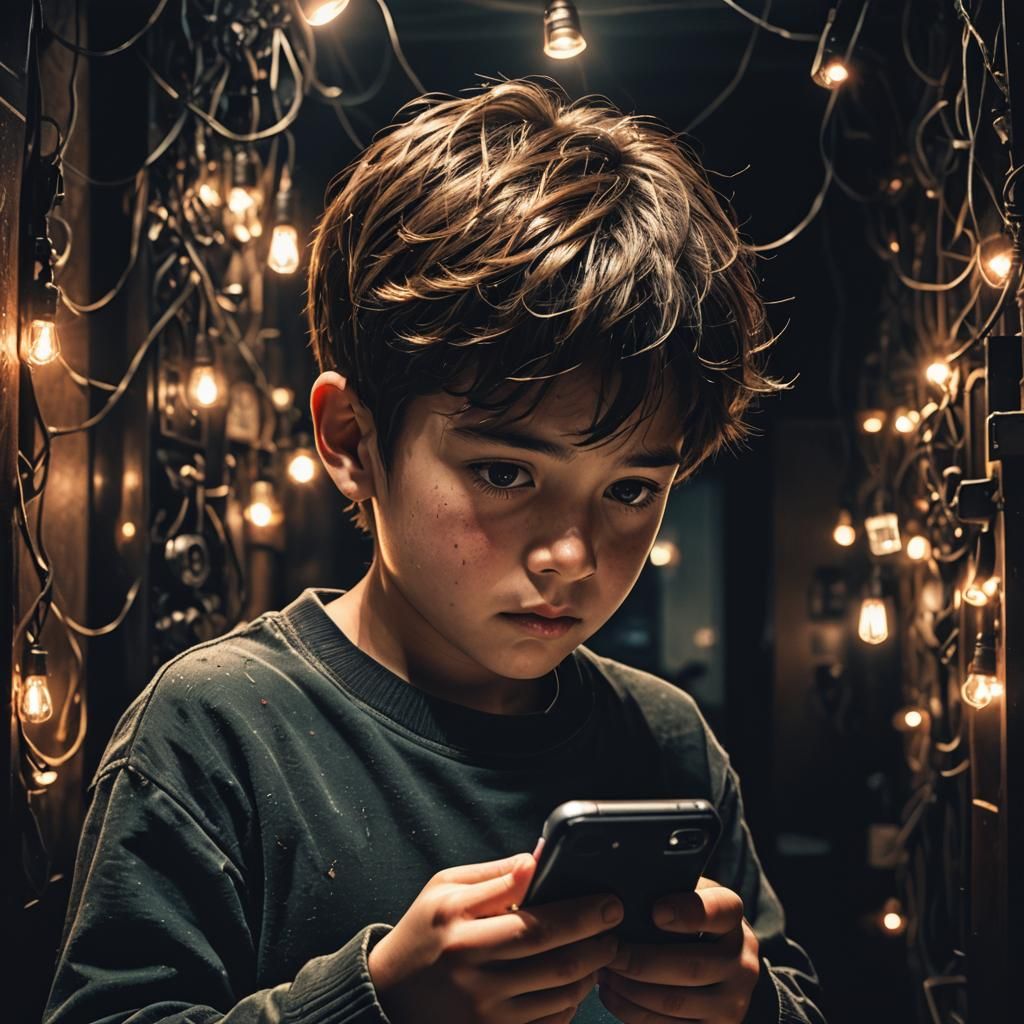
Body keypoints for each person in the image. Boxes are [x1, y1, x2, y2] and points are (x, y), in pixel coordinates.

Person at [43, 79, 826, 1024]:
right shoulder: (217, 730)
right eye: (505, 473)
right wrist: (375, 1004)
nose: (571, 555)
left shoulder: (664, 741)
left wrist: (749, 1005)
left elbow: (788, 995)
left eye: (631, 490)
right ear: (351, 441)